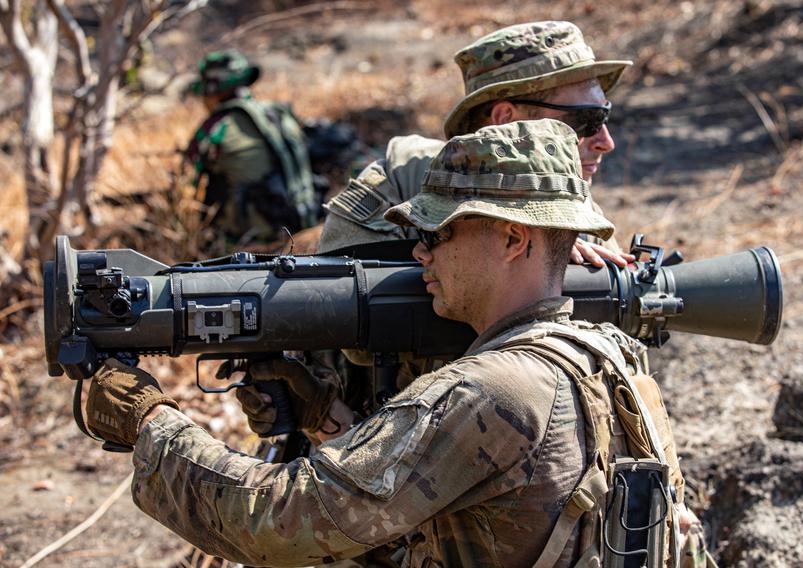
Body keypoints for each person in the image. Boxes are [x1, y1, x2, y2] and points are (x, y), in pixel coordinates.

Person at [84, 120, 692, 567]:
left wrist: (150, 424)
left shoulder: (489, 390)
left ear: (513, 238)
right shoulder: (602, 352)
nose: (420, 252)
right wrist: (329, 417)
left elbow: (283, 523)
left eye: (439, 232)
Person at [318, 21, 636, 269]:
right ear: (505, 119)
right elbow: (331, 318)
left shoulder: (574, 204)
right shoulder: (397, 186)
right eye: (584, 122)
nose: (605, 142)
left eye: (604, 116)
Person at [185, 50, 321, 245]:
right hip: (303, 225)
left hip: (251, 242)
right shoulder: (279, 113)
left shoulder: (217, 126)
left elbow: (187, 181)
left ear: (213, 91)